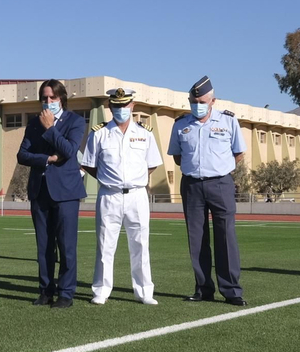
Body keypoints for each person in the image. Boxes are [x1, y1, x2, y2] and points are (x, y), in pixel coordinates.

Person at [167, 75, 246, 306]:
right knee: (197, 239)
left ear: (213, 101)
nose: (197, 105)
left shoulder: (229, 121)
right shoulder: (181, 124)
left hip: (220, 183)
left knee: (226, 237)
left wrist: (220, 168)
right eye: (193, 101)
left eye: (201, 101)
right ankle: (203, 288)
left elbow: (239, 153)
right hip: (191, 185)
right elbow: (178, 156)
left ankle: (231, 290)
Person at [80, 87, 162, 305]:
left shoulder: (145, 133)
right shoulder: (99, 133)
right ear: (109, 107)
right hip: (109, 195)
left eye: (125, 105)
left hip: (137, 195)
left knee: (140, 245)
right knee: (105, 245)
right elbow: (89, 165)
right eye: (116, 106)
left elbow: (151, 164)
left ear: (132, 106)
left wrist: (135, 180)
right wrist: (110, 179)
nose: (121, 109)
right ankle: (101, 290)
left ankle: (144, 291)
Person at [17, 79, 87, 308]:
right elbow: (22, 155)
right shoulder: (33, 123)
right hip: (40, 190)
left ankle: (66, 293)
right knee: (44, 246)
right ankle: (45, 291)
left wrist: (50, 128)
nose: (48, 102)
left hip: (66, 192)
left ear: (61, 99)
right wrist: (46, 158)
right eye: (44, 98)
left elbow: (68, 151)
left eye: (53, 98)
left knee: (66, 246)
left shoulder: (75, 121)